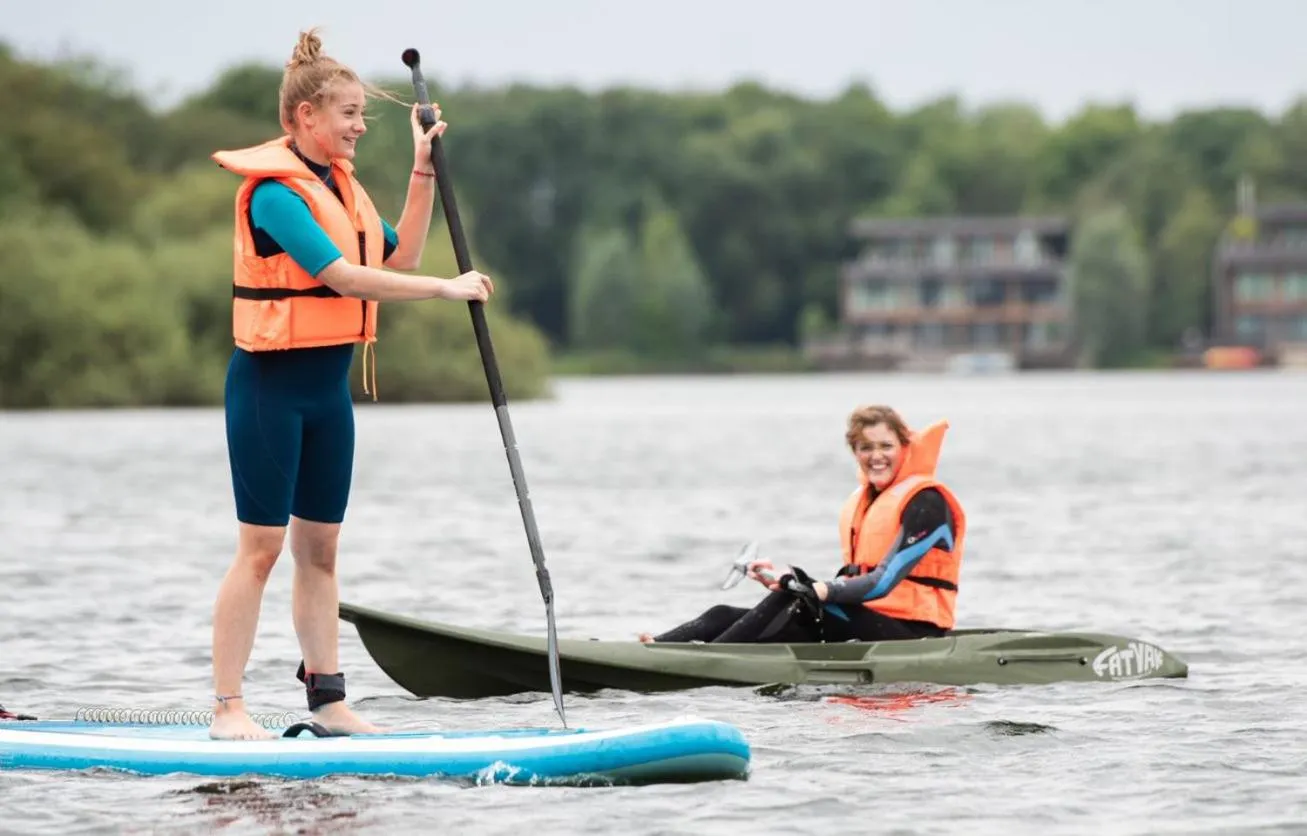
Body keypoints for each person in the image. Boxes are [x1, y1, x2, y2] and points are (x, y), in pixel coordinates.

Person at [206, 28, 495, 741]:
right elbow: (340, 277)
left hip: (327, 397)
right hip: (269, 392)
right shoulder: (276, 196)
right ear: (306, 117)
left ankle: (328, 700)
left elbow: (403, 253)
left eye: (363, 114)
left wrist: (422, 170)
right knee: (262, 549)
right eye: (350, 114)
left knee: (322, 551)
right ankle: (228, 708)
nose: (361, 126)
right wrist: (445, 290)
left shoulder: (343, 188)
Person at [640, 405, 967, 645]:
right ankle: (653, 649)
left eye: (886, 446)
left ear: (904, 448)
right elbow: (853, 584)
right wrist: (783, 581)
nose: (876, 456)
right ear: (855, 452)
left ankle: (705, 662)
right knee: (721, 614)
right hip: (866, 619)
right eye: (866, 447)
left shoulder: (928, 504)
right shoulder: (867, 500)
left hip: (914, 633)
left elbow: (882, 582)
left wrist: (820, 589)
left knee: (797, 602)